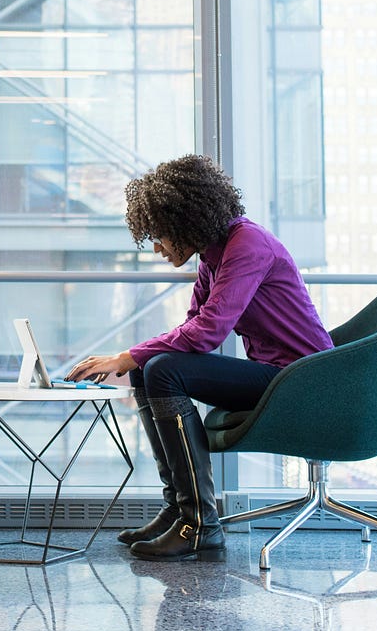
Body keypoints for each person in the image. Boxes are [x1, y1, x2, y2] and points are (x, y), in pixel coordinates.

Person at [66, 154, 334, 562]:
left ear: (185, 222)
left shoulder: (247, 245)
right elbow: (193, 324)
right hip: (277, 375)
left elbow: (208, 332)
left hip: (303, 380)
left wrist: (126, 355)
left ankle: (200, 524)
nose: (156, 247)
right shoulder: (215, 254)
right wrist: (131, 359)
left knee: (161, 367)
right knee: (150, 369)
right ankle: (179, 510)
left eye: (159, 235)